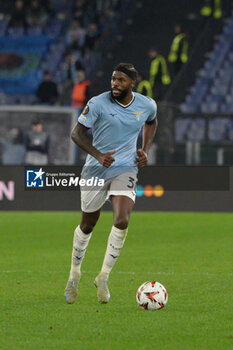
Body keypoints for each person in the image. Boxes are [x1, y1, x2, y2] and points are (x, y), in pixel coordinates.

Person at [65, 62, 158, 304]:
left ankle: (104, 276)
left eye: (121, 80)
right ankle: (75, 272)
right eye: (113, 79)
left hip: (125, 167)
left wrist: (145, 149)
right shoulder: (97, 103)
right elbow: (76, 134)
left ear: (132, 83)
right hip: (96, 169)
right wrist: (98, 155)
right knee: (88, 223)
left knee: (122, 220)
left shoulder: (146, 105)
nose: (115, 84)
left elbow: (152, 121)